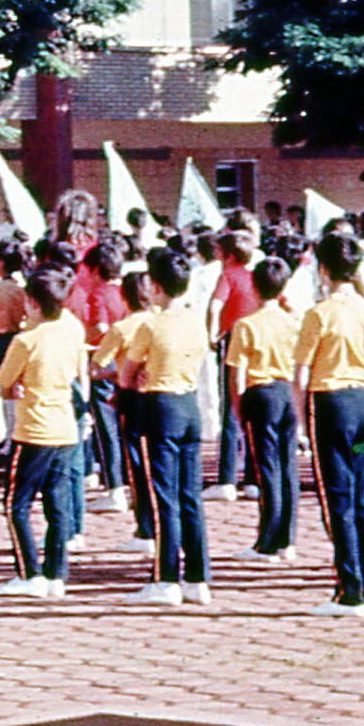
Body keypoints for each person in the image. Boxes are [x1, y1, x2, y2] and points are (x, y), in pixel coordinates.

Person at [294, 231, 364, 616]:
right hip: (362, 406)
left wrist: (300, 423)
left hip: (330, 407)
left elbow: (301, 374)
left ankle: (349, 589)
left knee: (337, 498)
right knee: (363, 495)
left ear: (324, 268)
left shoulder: (320, 313)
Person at [121, 248, 211, 604]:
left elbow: (127, 376)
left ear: (155, 285)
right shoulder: (194, 320)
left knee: (162, 495)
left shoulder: (151, 324)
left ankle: (164, 577)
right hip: (188, 403)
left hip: (158, 405)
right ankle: (198, 576)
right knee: (189, 495)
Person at [0, 266, 85, 598]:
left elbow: (1, 384)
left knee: (17, 504)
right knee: (58, 506)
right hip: (64, 428)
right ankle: (56, 573)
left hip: (32, 430)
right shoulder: (72, 331)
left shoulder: (25, 341)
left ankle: (28, 571)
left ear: (31, 301)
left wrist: (13, 386)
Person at [225, 256, 301, 563]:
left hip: (259, 392)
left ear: (254, 286)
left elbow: (236, 373)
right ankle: (287, 538)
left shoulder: (246, 325)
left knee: (266, 468)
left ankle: (268, 541)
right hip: (286, 390)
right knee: (288, 467)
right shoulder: (292, 321)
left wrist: (237, 406)